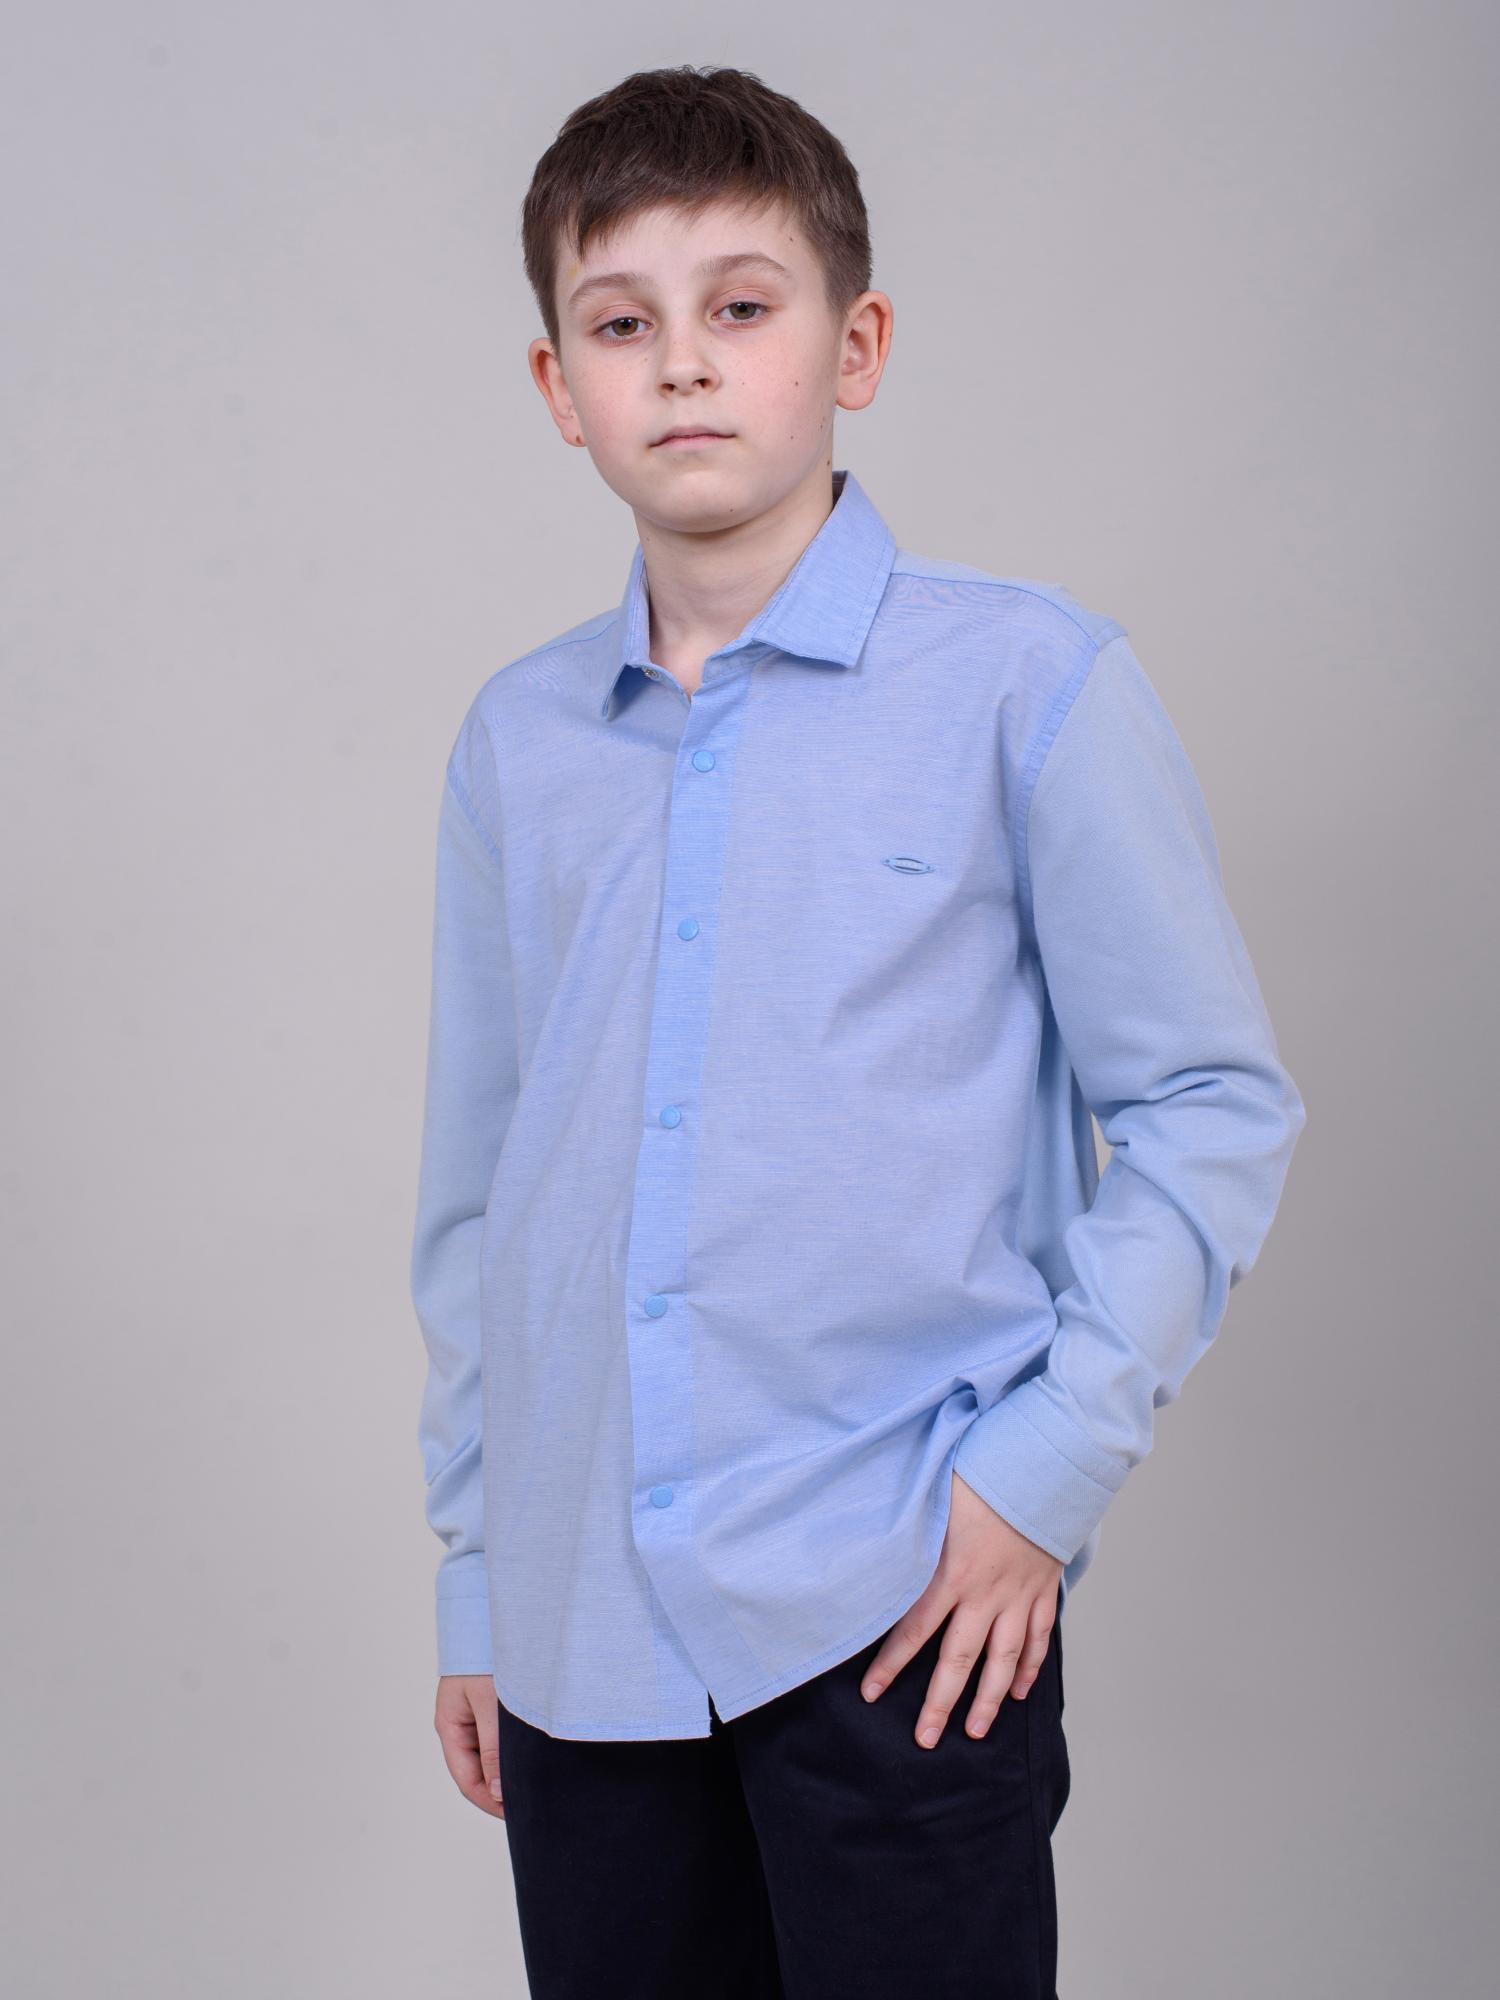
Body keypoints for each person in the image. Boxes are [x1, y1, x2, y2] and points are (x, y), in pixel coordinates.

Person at [408, 62, 1306, 2000]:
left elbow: (1208, 1105)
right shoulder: (517, 742)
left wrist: (1036, 1478)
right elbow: (485, 1194)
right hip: (578, 1640)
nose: (683, 363)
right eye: (621, 324)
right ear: (558, 385)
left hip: (900, 1611)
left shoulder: (1025, 682)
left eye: (742, 305)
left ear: (856, 344)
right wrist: (479, 1575)